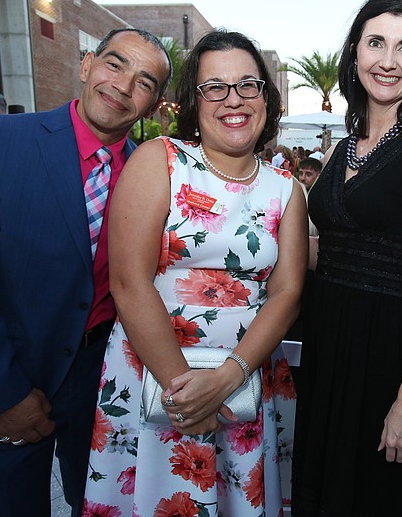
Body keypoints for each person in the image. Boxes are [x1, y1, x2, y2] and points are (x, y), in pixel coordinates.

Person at [0, 28, 172, 517]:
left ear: (155, 104)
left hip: (102, 383)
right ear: (85, 65)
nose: (122, 85)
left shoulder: (154, 171)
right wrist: (1, 395)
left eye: (143, 81)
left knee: (100, 507)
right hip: (6, 375)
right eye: (114, 64)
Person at [83, 29, 306, 516]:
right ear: (194, 101)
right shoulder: (158, 161)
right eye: (215, 87)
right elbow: (128, 281)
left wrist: (228, 377)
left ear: (266, 96)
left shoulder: (286, 187)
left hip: (247, 381)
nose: (234, 99)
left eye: (248, 84)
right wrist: (184, 392)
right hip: (155, 378)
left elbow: (287, 292)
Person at [292, 0, 402, 515]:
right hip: (327, 347)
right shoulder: (340, 147)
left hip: (389, 353)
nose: (388, 60)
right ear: (355, 53)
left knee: (377, 495)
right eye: (376, 42)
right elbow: (334, 251)